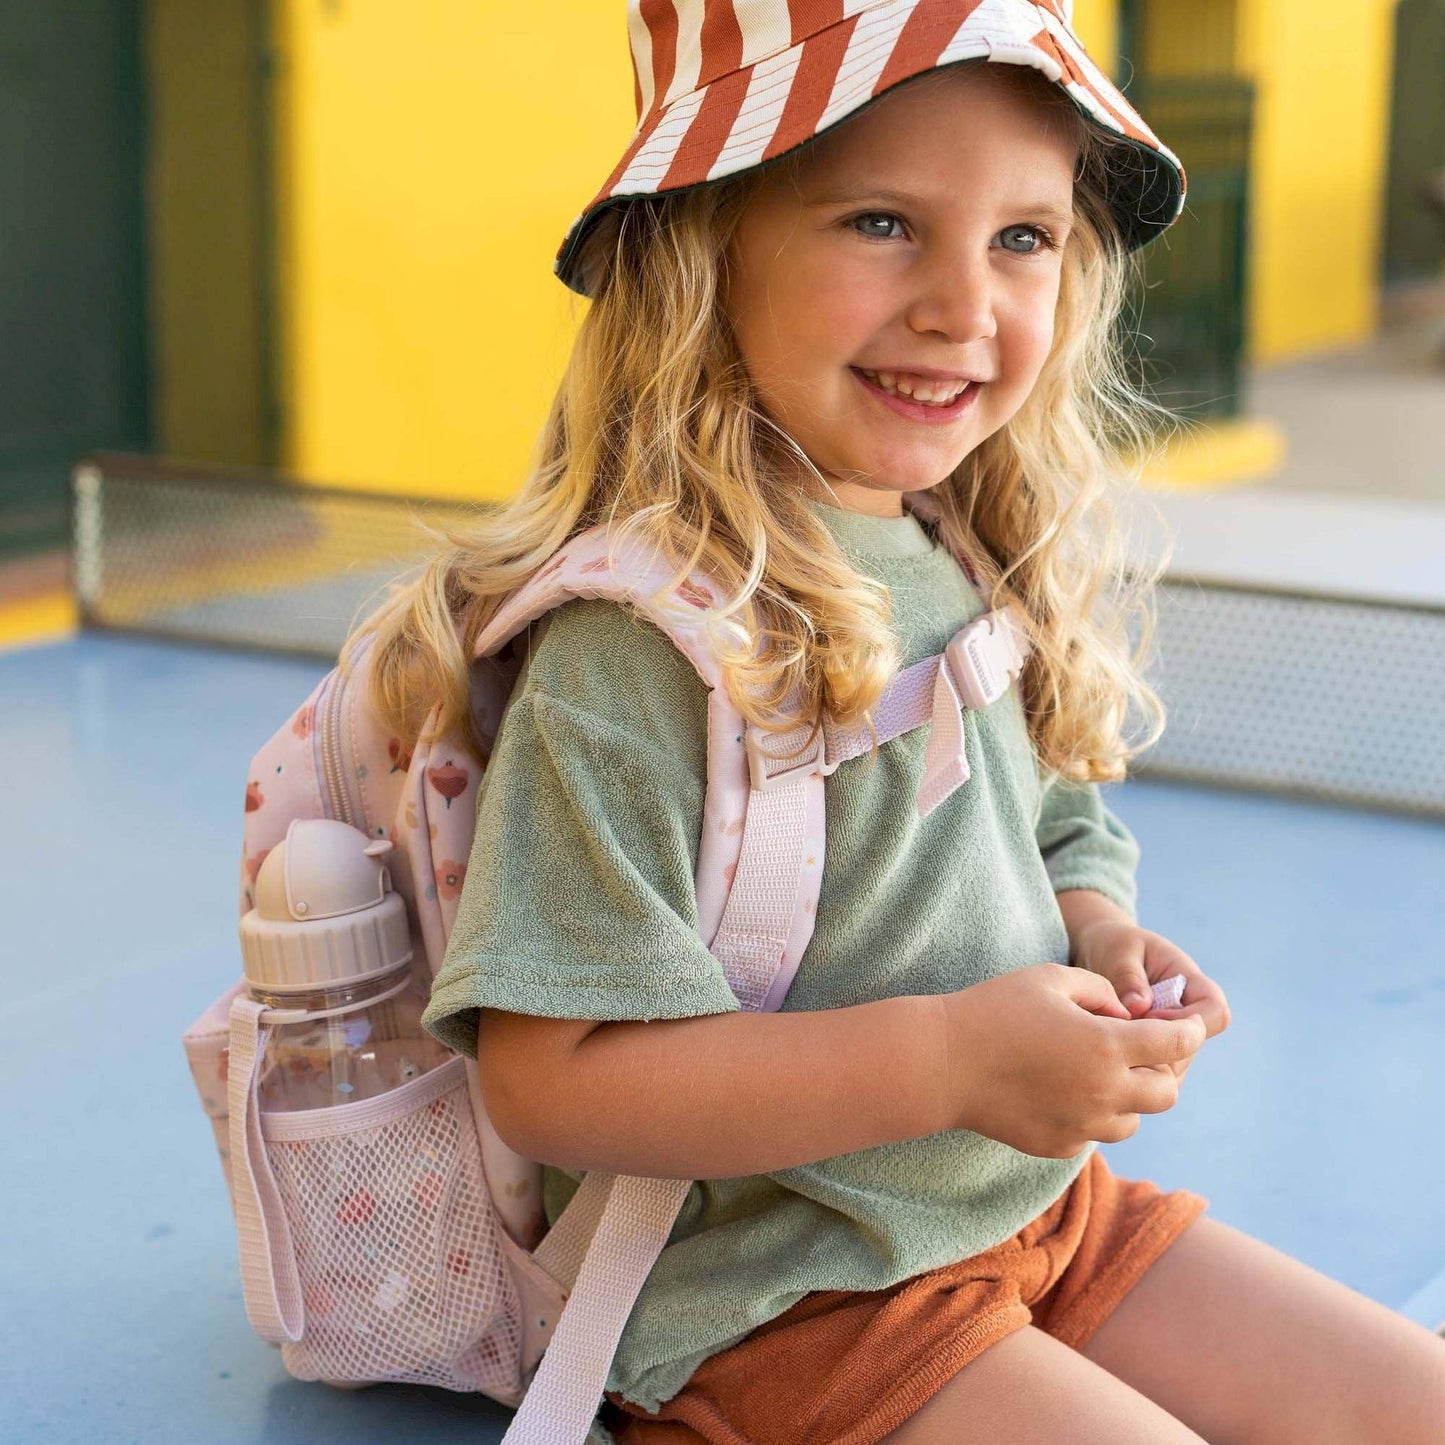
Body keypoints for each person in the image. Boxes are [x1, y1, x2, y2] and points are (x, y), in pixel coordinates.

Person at [355, 3, 1445, 1440]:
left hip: (1043, 1208)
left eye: (1023, 237)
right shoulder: (634, 645)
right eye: (879, 222)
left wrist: (1096, 925)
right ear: (699, 247)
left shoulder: (955, 540)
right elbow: (551, 1081)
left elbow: (1052, 810)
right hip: (789, 1293)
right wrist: (952, 1058)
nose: (960, 304)